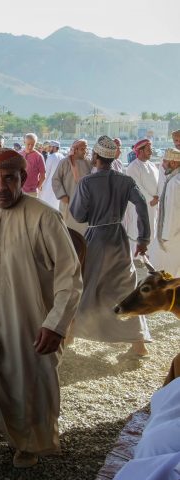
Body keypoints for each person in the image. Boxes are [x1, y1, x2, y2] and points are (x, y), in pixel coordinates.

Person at [0, 148, 82, 470]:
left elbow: (71, 276)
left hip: (30, 317)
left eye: (9, 178)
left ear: (23, 179)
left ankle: (28, 444)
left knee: (28, 381)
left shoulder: (44, 217)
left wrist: (55, 324)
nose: (1, 186)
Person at [69, 136, 151, 357]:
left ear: (95, 157)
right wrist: (143, 239)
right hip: (118, 239)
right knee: (125, 286)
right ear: (113, 156)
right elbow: (142, 205)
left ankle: (70, 333)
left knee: (84, 283)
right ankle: (138, 343)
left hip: (95, 238)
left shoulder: (87, 182)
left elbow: (77, 214)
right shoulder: (125, 181)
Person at [150, 148, 180, 276]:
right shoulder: (174, 179)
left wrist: (166, 237)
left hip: (172, 236)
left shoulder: (175, 183)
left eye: (165, 162)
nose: (162, 165)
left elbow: (172, 213)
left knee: (168, 272)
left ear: (174, 163)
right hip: (174, 234)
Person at [51, 138, 92, 234]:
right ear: (75, 150)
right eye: (82, 149)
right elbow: (55, 180)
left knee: (83, 232)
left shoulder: (89, 163)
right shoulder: (64, 162)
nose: (85, 151)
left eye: (86, 148)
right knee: (68, 232)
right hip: (68, 202)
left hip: (84, 204)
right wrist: (62, 195)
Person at [125, 138, 159, 250]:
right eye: (148, 149)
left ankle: (149, 254)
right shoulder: (133, 166)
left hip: (154, 205)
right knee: (138, 229)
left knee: (152, 229)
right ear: (140, 151)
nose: (151, 152)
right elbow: (136, 186)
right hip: (141, 205)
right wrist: (150, 199)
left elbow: (158, 182)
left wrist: (157, 197)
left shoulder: (152, 165)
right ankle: (138, 258)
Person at [20, 133, 46, 197]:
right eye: (28, 144)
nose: (30, 147)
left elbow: (43, 175)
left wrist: (37, 187)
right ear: (24, 142)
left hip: (32, 192)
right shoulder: (19, 155)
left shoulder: (38, 156)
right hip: (19, 190)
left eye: (33, 144)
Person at [40, 140, 64, 209]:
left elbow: (46, 173)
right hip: (60, 186)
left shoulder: (51, 157)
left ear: (54, 147)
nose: (49, 148)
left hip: (49, 186)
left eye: (50, 147)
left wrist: (42, 185)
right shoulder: (63, 157)